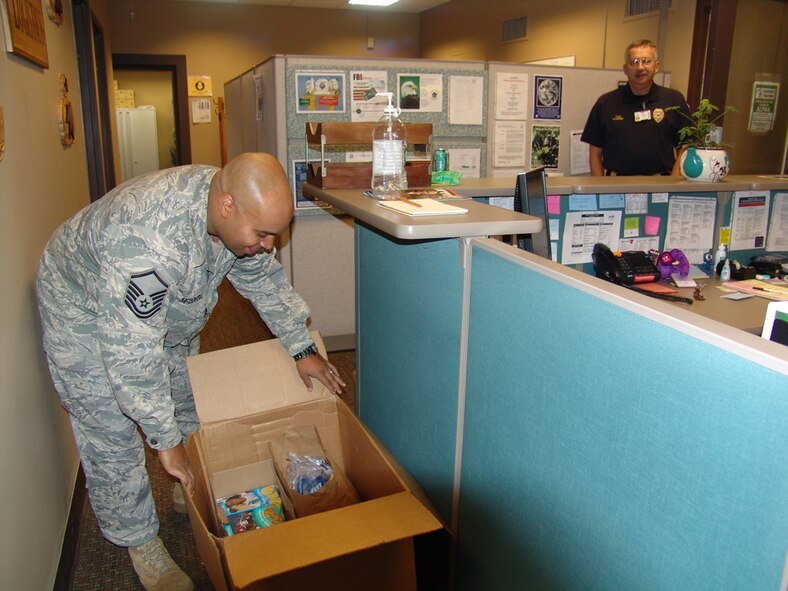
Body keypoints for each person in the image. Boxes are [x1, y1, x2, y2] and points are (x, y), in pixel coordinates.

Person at [36, 153, 345, 591]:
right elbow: (132, 349)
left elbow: (261, 276)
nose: (269, 244)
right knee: (109, 423)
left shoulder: (229, 207)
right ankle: (140, 542)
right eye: (262, 233)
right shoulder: (146, 240)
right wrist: (165, 441)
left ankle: (189, 485)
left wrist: (300, 347)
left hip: (161, 302)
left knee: (183, 387)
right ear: (226, 207)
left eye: (274, 234)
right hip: (79, 304)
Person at [581, 39, 691, 176]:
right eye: (634, 62)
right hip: (616, 186)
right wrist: (599, 190)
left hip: (661, 186)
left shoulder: (674, 100)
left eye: (646, 61)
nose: (640, 67)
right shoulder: (606, 103)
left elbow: (685, 147)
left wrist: (672, 185)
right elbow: (595, 153)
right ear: (625, 69)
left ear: (656, 67)